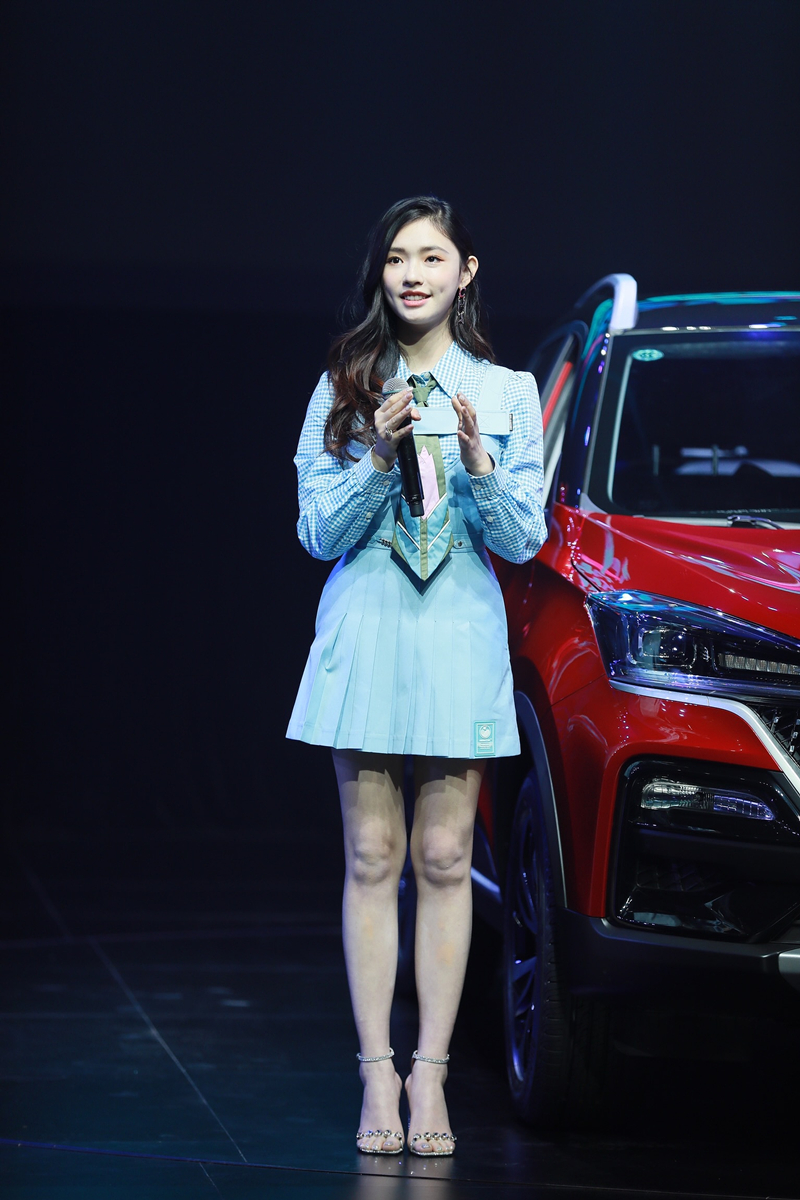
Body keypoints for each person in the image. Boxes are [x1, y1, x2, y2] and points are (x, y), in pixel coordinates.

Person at [287, 196, 545, 1157]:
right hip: (370, 623)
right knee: (371, 855)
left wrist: (479, 463)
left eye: (432, 257)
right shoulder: (345, 386)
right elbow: (318, 534)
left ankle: (429, 1072)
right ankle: (376, 1073)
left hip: (458, 630)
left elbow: (524, 539)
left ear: (465, 272)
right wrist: (375, 456)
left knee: (443, 857)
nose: (412, 274)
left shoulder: (508, 392)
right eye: (398, 257)